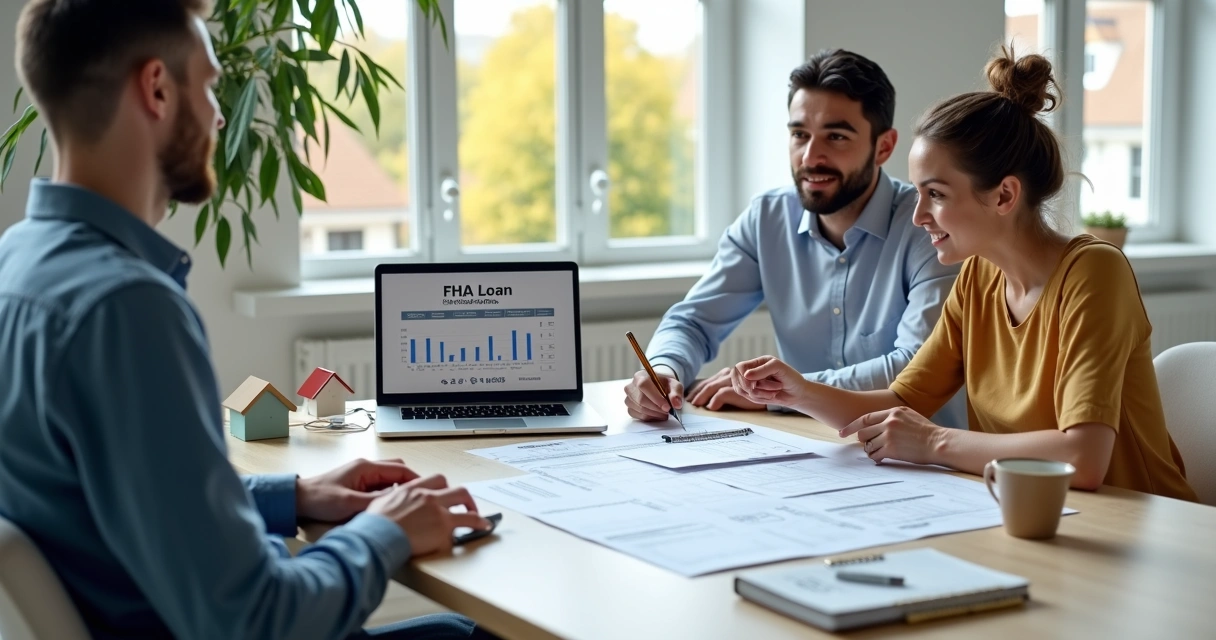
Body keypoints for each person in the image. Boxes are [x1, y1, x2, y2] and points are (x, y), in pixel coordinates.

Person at [0, 1, 499, 638]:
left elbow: (113, 508)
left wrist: (293, 494)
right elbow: (255, 620)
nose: (218, 112)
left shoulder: (20, 262)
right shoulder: (126, 309)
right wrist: (386, 530)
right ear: (156, 88)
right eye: (208, 85)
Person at [727, 47, 1197, 502]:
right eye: (917, 193)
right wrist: (799, 391)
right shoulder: (977, 278)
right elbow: (900, 401)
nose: (918, 216)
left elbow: (1083, 457)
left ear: (1004, 196)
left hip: (1139, 526)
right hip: (1038, 514)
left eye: (936, 194)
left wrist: (933, 443)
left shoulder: (1094, 272)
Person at [624, 49, 966, 430]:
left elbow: (916, 367)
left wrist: (782, 392)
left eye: (836, 136)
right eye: (799, 134)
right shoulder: (766, 219)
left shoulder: (929, 227)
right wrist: (662, 370)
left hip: (922, 457)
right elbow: (693, 322)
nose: (810, 156)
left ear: (883, 146)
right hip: (808, 445)